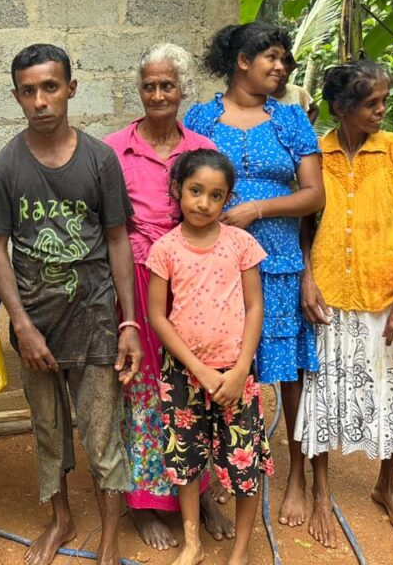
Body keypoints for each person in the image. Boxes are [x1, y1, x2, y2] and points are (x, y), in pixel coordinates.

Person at [0, 44, 142, 565]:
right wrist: (22, 326)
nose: (40, 101)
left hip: (94, 321)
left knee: (102, 434)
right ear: (16, 96)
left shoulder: (99, 160)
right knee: (48, 431)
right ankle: (61, 519)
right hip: (37, 325)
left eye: (50, 87)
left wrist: (129, 321)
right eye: (28, 91)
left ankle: (110, 538)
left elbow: (117, 240)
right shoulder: (6, 166)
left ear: (71, 88)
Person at [184, 22, 324, 529]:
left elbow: (314, 194)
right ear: (242, 60)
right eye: (272, 57)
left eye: (285, 60)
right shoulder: (200, 118)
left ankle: (297, 477)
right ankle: (222, 469)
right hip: (216, 270)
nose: (281, 67)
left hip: (278, 264)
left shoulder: (289, 118)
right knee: (222, 367)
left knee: (287, 376)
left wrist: (257, 209)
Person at [103, 43, 233, 551]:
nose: (158, 95)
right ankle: (145, 504)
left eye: (167, 86)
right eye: (149, 86)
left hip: (194, 281)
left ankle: (199, 494)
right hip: (138, 279)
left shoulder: (200, 146)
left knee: (196, 386)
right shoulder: (116, 148)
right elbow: (110, 226)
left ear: (182, 90)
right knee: (143, 390)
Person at [296, 61, 393, 547]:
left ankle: (386, 487)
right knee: (323, 392)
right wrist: (308, 279)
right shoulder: (316, 153)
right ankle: (321, 492)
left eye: (383, 101)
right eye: (372, 103)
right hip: (329, 292)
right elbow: (304, 224)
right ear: (341, 108)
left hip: (386, 292)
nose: (381, 110)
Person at [148, 148, 275, 565]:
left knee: (244, 462)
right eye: (195, 191)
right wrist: (198, 368)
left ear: (228, 199)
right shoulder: (165, 249)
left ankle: (240, 551)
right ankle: (192, 543)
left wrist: (240, 370)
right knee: (185, 459)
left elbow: (255, 307)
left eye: (216, 195)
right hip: (184, 374)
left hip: (236, 373)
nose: (203, 203)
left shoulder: (242, 244)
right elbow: (157, 316)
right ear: (177, 190)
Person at [272, 49, 318, 124]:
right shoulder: (258, 96)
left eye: (287, 71)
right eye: (278, 72)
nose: (283, 75)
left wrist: (305, 128)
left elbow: (314, 109)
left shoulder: (298, 92)